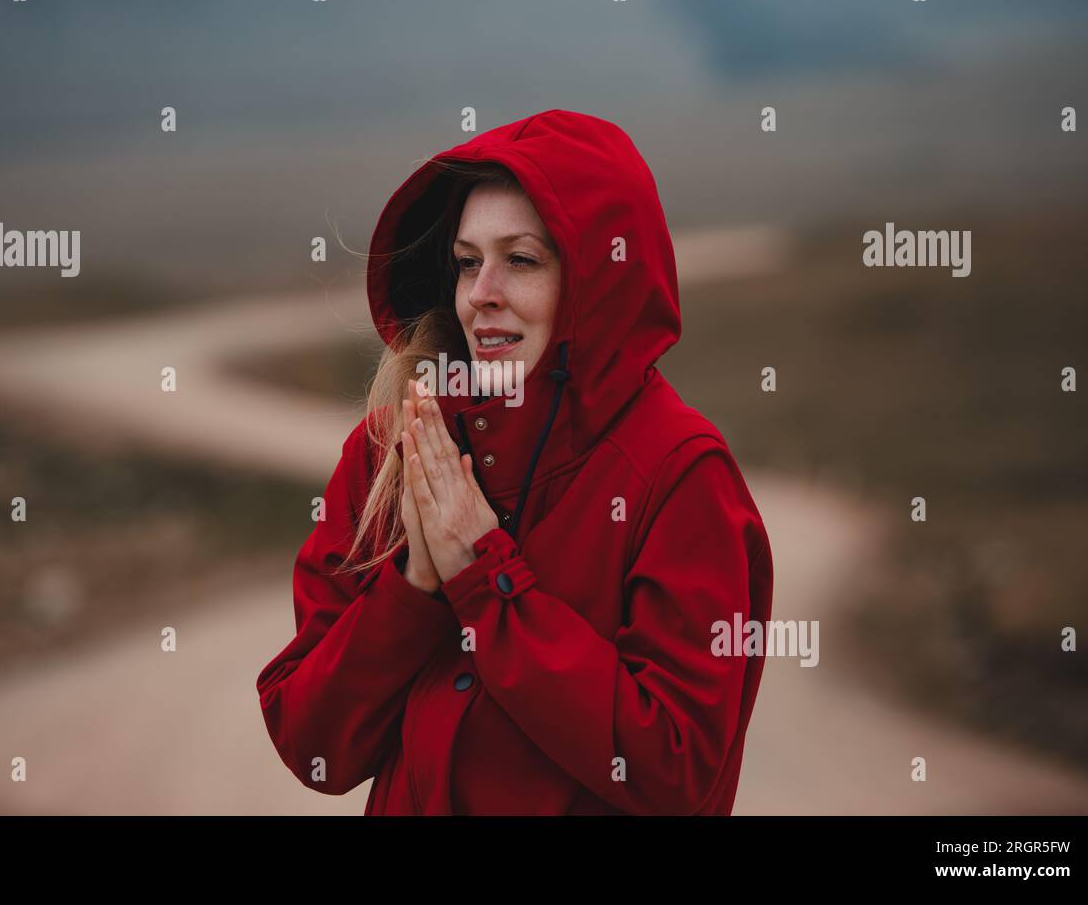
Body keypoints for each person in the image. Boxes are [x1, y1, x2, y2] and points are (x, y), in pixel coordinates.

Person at [256, 109, 774, 815]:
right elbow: (312, 744)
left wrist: (484, 581)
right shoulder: (395, 450)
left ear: (598, 281)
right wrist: (415, 585)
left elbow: (674, 770)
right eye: (468, 262)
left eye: (521, 260)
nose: (480, 294)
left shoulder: (678, 475)